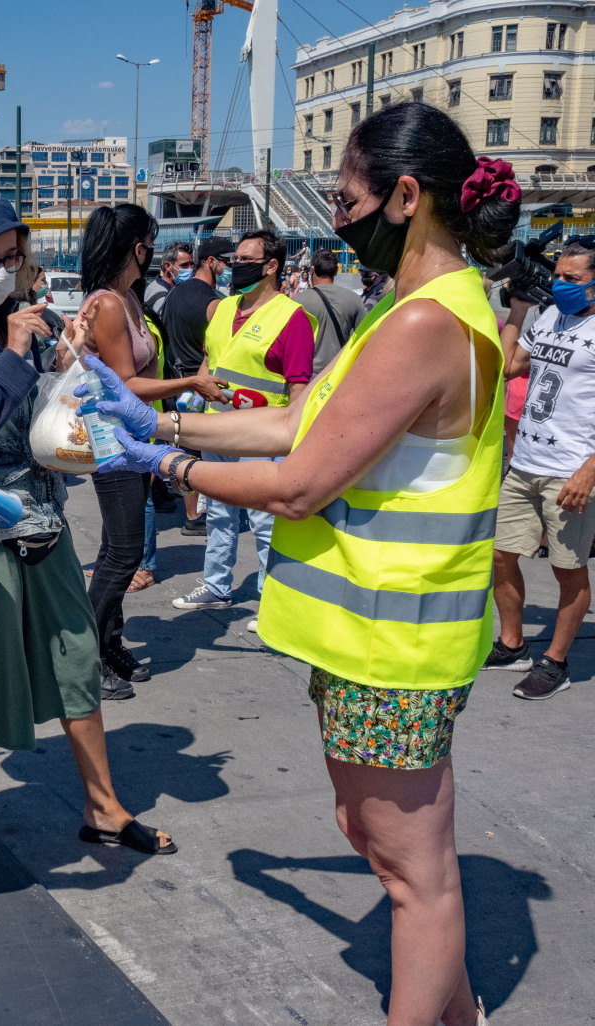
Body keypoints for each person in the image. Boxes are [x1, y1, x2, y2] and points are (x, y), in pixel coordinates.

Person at [79, 101, 518, 1026]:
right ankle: (460, 1013)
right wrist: (158, 420)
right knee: (368, 834)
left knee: (412, 878)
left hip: (393, 641)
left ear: (405, 196)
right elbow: (291, 420)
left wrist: (164, 464)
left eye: (347, 197)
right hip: (368, 637)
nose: (338, 216)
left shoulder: (423, 321)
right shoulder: (415, 307)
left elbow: (297, 483)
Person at [0, 189, 176, 871]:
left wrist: (68, 365)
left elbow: (75, 415)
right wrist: (20, 355)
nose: (1, 270)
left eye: (10, 257)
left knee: (79, 664)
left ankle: (102, 806)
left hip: (45, 519)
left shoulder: (35, 321)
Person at [68, 204, 228, 692]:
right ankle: (85, 658)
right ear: (138, 247)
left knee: (116, 547)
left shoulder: (126, 298)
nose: (157, 251)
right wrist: (190, 383)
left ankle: (109, 643)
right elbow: (126, 385)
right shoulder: (110, 304)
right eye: (152, 242)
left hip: (131, 438)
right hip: (112, 439)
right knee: (124, 552)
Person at [171, 229, 317, 634]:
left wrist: (295, 439)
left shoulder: (293, 318)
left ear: (271, 266)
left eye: (247, 259)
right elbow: (209, 362)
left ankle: (274, 601)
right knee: (217, 511)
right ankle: (216, 585)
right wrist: (195, 399)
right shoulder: (222, 309)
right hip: (219, 428)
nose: (236, 266)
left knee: (264, 521)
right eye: (235, 259)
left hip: (263, 435)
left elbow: (298, 386)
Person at [483, 236, 595, 699]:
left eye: (573, 279)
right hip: (525, 463)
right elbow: (508, 365)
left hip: (571, 469)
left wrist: (589, 470)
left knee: (568, 570)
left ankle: (556, 661)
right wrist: (521, 307)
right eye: (557, 277)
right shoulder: (550, 315)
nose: (562, 285)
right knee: (500, 555)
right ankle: (513, 644)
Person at [161, 236, 235, 534]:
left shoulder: (175, 294)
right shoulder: (215, 302)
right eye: (226, 261)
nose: (230, 266)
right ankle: (206, 514)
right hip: (201, 385)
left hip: (175, 383)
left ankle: (191, 513)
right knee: (208, 453)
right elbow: (219, 347)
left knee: (183, 450)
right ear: (212, 262)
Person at [297, 248, 366, 374]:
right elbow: (364, 339)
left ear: (312, 270)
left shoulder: (296, 302)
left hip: (304, 375)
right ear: (336, 271)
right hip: (338, 374)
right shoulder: (354, 299)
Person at [144, 241, 194, 316]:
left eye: (191, 264)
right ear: (168, 266)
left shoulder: (155, 284)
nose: (190, 269)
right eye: (184, 265)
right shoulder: (163, 298)